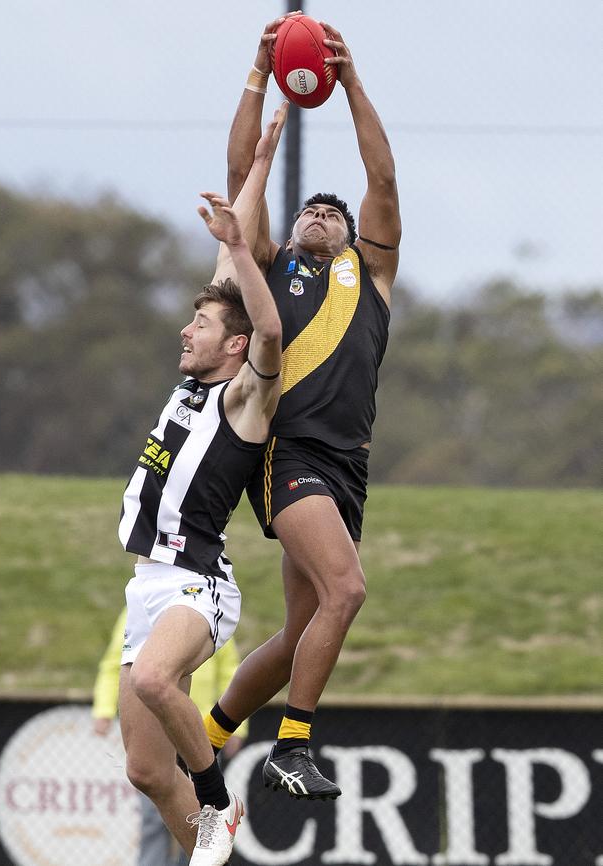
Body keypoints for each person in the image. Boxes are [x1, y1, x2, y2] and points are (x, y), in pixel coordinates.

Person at [203, 14, 402, 801]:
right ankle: (293, 745)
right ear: (290, 233)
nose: (320, 215)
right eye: (308, 211)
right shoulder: (273, 265)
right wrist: (258, 76)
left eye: (334, 213)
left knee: (297, 634)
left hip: (348, 467)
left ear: (357, 238)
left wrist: (351, 84)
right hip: (291, 454)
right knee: (347, 591)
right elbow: (237, 175)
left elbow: (382, 181)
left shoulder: (372, 279)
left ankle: (209, 735)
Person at [116, 104, 286, 866]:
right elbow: (225, 259)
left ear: (234, 345)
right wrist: (259, 163)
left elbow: (271, 331)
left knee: (158, 678)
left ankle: (220, 806)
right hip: (146, 585)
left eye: (202, 326)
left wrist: (246, 251)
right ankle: (207, 851)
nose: (187, 331)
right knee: (146, 770)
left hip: (197, 583)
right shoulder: (188, 384)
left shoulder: (244, 398)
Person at [91, 608, 248, 866]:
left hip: (201, 732)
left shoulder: (203, 608)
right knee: (153, 811)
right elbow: (115, 662)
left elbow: (230, 671)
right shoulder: (137, 606)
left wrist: (235, 725)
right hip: (155, 729)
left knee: (205, 815)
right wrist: (103, 709)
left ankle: (215, 818)